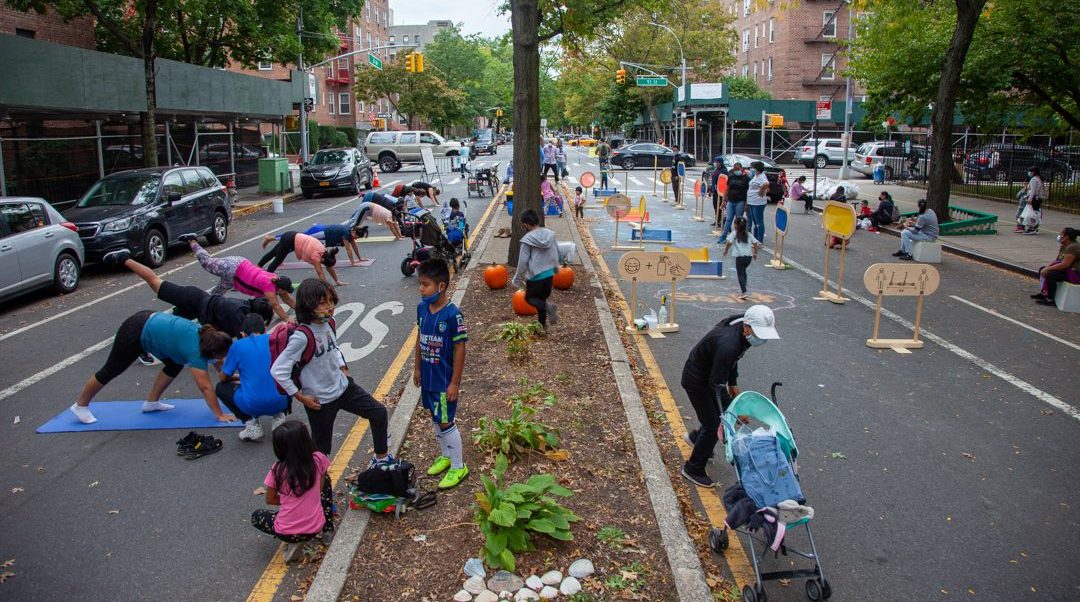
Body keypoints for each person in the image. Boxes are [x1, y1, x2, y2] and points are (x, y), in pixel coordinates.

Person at [270, 279, 390, 460]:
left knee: (379, 413)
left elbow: (333, 348)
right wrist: (300, 397)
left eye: (331, 301)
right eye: (322, 303)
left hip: (343, 388)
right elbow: (278, 370)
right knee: (321, 451)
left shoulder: (329, 323)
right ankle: (320, 486)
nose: (330, 307)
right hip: (320, 401)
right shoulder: (302, 336)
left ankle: (381, 461)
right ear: (308, 305)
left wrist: (343, 368)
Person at [69, 311, 234, 425]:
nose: (224, 358)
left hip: (152, 324)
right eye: (222, 355)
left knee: (174, 364)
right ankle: (80, 406)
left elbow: (221, 367)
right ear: (212, 351)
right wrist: (219, 414)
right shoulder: (195, 352)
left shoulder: (207, 338)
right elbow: (205, 387)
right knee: (111, 370)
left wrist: (235, 378)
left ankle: (151, 403)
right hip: (136, 331)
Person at [680, 305, 780, 487]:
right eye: (759, 334)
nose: (762, 339)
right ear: (747, 327)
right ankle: (693, 468)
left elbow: (733, 361)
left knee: (713, 416)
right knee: (714, 424)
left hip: (709, 376)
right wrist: (735, 410)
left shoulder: (742, 328)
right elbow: (717, 385)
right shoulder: (728, 343)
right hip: (697, 381)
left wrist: (733, 384)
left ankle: (696, 439)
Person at [103, 249, 272, 337]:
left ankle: (140, 337)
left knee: (170, 327)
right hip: (193, 299)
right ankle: (124, 258)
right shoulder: (239, 316)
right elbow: (247, 344)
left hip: (198, 309)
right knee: (155, 282)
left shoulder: (243, 308)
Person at [413, 259, 470, 489]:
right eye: (420, 284)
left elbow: (460, 348)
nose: (421, 288)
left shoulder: (453, 316)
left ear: (441, 286)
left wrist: (454, 383)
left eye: (425, 284)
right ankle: (446, 455)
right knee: (435, 418)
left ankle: (458, 466)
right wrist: (417, 368)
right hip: (427, 378)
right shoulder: (421, 309)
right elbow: (419, 338)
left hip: (443, 380)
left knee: (446, 422)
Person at [251, 420, 335, 563]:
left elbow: (270, 499)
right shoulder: (319, 459)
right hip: (315, 527)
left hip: (286, 532)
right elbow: (320, 489)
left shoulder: (277, 470)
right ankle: (327, 530)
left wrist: (288, 501)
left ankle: (293, 543)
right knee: (325, 478)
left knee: (257, 516)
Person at [181, 238, 295, 323]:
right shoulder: (269, 286)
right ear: (280, 289)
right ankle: (192, 240)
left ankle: (195, 311)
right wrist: (287, 318)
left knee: (213, 296)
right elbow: (275, 305)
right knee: (206, 262)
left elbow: (288, 299)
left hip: (235, 275)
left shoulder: (276, 280)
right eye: (285, 290)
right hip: (232, 268)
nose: (285, 293)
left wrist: (302, 310)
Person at [218, 314, 289, 441]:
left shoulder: (238, 346)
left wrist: (238, 378)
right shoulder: (277, 340)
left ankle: (251, 424)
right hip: (282, 400)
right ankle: (280, 416)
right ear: (265, 329)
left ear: (243, 333)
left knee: (220, 388)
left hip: (252, 404)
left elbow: (223, 377)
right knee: (288, 377)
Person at [511, 209, 560, 330]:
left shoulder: (527, 240)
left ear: (526, 224)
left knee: (530, 298)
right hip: (549, 274)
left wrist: (516, 279)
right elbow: (556, 252)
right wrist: (555, 269)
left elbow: (522, 262)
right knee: (541, 299)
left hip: (536, 276)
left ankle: (549, 307)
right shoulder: (549, 234)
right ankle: (542, 326)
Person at [259, 231, 344, 286]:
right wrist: (326, 287)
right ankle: (265, 279)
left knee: (273, 253)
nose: (322, 264)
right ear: (323, 260)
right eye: (323, 264)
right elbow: (320, 273)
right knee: (277, 260)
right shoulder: (316, 255)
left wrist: (337, 281)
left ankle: (258, 267)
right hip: (289, 239)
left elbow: (329, 267)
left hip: (292, 236)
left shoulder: (325, 253)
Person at [1033, 227, 1080, 305]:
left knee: (1050, 274)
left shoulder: (1073, 247)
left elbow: (1065, 264)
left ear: (1067, 236)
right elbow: (1058, 261)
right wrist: (1047, 268)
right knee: (1043, 269)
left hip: (1075, 274)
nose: (1059, 235)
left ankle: (1050, 299)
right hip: (1068, 271)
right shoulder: (1064, 245)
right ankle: (1045, 293)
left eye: (1061, 234)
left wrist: (1048, 269)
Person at [722, 216, 759, 300]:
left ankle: (744, 291)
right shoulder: (748, 234)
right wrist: (755, 253)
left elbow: (729, 242)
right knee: (743, 271)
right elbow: (756, 242)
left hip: (740, 257)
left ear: (735, 225)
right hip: (748, 257)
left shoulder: (734, 233)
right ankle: (744, 287)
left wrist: (726, 250)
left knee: (740, 274)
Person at [295, 223, 367, 266]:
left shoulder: (350, 231)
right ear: (354, 232)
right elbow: (348, 249)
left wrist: (360, 259)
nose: (356, 239)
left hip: (322, 232)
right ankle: (284, 239)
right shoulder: (347, 233)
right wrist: (352, 262)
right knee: (298, 238)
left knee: (299, 238)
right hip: (320, 231)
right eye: (356, 237)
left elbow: (354, 246)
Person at [719, 162, 750, 242]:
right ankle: (723, 236)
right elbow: (727, 189)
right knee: (728, 219)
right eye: (735, 169)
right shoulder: (731, 177)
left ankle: (738, 236)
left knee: (738, 219)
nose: (736, 170)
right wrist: (723, 201)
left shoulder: (746, 178)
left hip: (740, 201)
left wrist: (746, 204)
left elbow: (748, 192)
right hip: (731, 201)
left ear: (741, 168)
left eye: (737, 169)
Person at [745, 161, 770, 244]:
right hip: (752, 201)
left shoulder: (762, 176)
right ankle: (755, 238)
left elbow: (766, 183)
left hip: (758, 202)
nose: (751, 169)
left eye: (753, 167)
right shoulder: (756, 176)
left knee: (759, 221)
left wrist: (761, 190)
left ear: (757, 168)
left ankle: (760, 240)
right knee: (755, 222)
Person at [1017, 166, 1044, 234]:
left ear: (1033, 172)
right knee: (1034, 213)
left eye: (1030, 171)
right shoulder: (1039, 179)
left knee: (1032, 214)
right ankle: (1033, 227)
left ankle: (1032, 228)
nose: (1029, 173)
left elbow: (1033, 190)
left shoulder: (1034, 180)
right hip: (1037, 198)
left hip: (1034, 198)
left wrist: (1030, 199)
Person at [711, 156, 729, 230]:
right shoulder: (716, 170)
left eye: (716, 162)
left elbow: (725, 182)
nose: (715, 163)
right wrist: (711, 189)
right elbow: (713, 180)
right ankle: (717, 219)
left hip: (721, 191)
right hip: (715, 190)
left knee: (720, 206)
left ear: (720, 163)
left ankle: (721, 221)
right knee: (715, 205)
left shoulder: (724, 171)